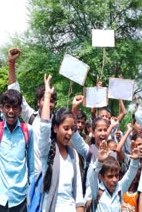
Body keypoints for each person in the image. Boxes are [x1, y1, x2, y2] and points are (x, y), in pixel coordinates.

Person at [7, 47, 57, 175]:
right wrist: (11, 64)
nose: (48, 103)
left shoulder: (58, 122)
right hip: (32, 175)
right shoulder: (31, 117)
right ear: (38, 102)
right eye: (45, 99)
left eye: (51, 101)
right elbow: (15, 93)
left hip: (52, 176)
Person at [39, 74, 84, 211]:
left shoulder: (73, 154)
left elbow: (78, 192)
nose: (70, 133)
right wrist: (47, 95)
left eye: (72, 129)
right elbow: (44, 126)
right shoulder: (47, 151)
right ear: (55, 128)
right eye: (66, 128)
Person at [87, 139, 140, 212]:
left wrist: (135, 160)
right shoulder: (97, 191)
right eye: (110, 176)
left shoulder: (120, 188)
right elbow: (92, 175)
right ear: (101, 177)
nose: (114, 180)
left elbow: (130, 175)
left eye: (116, 175)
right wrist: (99, 161)